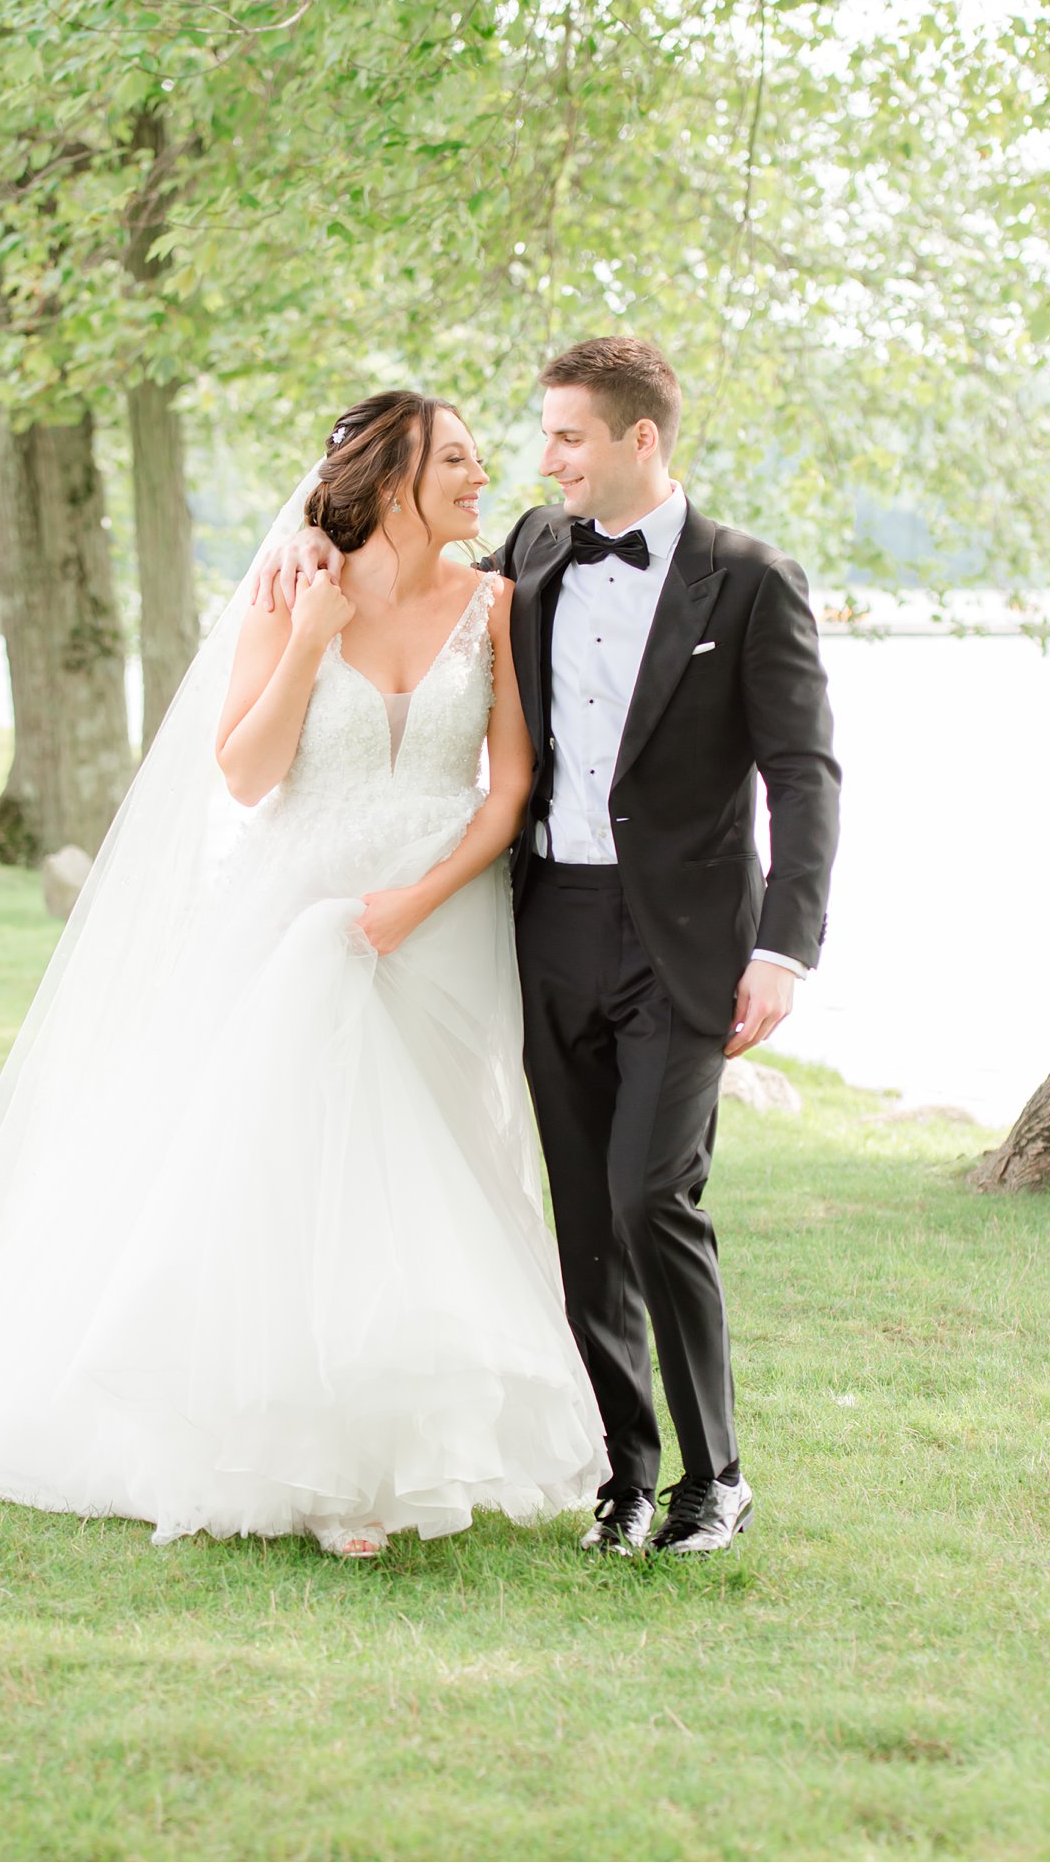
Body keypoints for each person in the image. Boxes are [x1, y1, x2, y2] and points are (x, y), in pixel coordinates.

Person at [0, 392, 605, 1558]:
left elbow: (505, 790)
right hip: (294, 912)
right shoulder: (293, 590)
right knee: (293, 1167)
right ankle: (315, 1461)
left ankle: (401, 1441)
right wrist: (305, 638)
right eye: (455, 458)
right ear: (393, 477)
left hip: (436, 920)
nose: (479, 475)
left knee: (433, 1173)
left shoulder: (493, 601)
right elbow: (244, 774)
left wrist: (415, 899)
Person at [259, 337, 841, 1559]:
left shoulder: (747, 581)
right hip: (545, 921)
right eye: (539, 439)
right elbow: (377, 537)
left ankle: (713, 1475)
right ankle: (623, 1477)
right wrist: (313, 541)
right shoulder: (528, 548)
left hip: (687, 938)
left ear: (641, 440)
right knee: (579, 1208)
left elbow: (802, 774)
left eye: (567, 437)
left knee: (649, 1193)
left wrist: (782, 951)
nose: (543, 460)